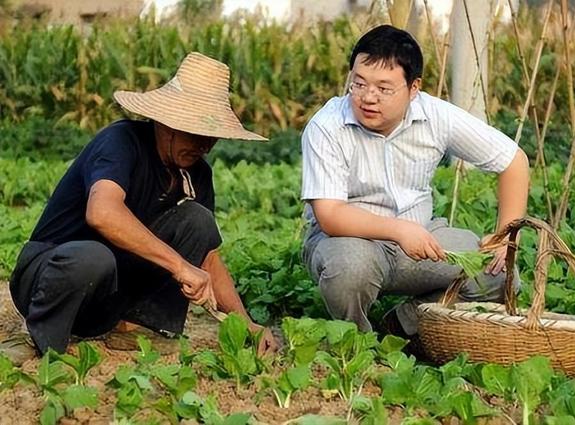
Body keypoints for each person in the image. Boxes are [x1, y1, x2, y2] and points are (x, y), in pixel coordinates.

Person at [2, 52, 278, 364]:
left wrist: (246, 323)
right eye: (195, 134)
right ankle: (37, 335)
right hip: (48, 279)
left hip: (105, 300)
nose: (204, 146)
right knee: (94, 256)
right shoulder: (121, 141)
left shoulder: (197, 173)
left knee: (197, 220)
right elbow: (102, 213)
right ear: (166, 122)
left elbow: (208, 258)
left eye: (211, 137)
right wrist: (179, 265)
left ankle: (140, 327)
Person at [301, 25, 529, 342]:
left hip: (421, 238)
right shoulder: (327, 126)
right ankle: (358, 342)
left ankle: (405, 322)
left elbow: (513, 160)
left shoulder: (436, 116)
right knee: (349, 268)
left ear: (413, 88)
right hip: (347, 239)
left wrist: (505, 236)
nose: (368, 97)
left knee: (499, 275)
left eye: (384, 88)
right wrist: (399, 230)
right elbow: (330, 214)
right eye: (359, 83)